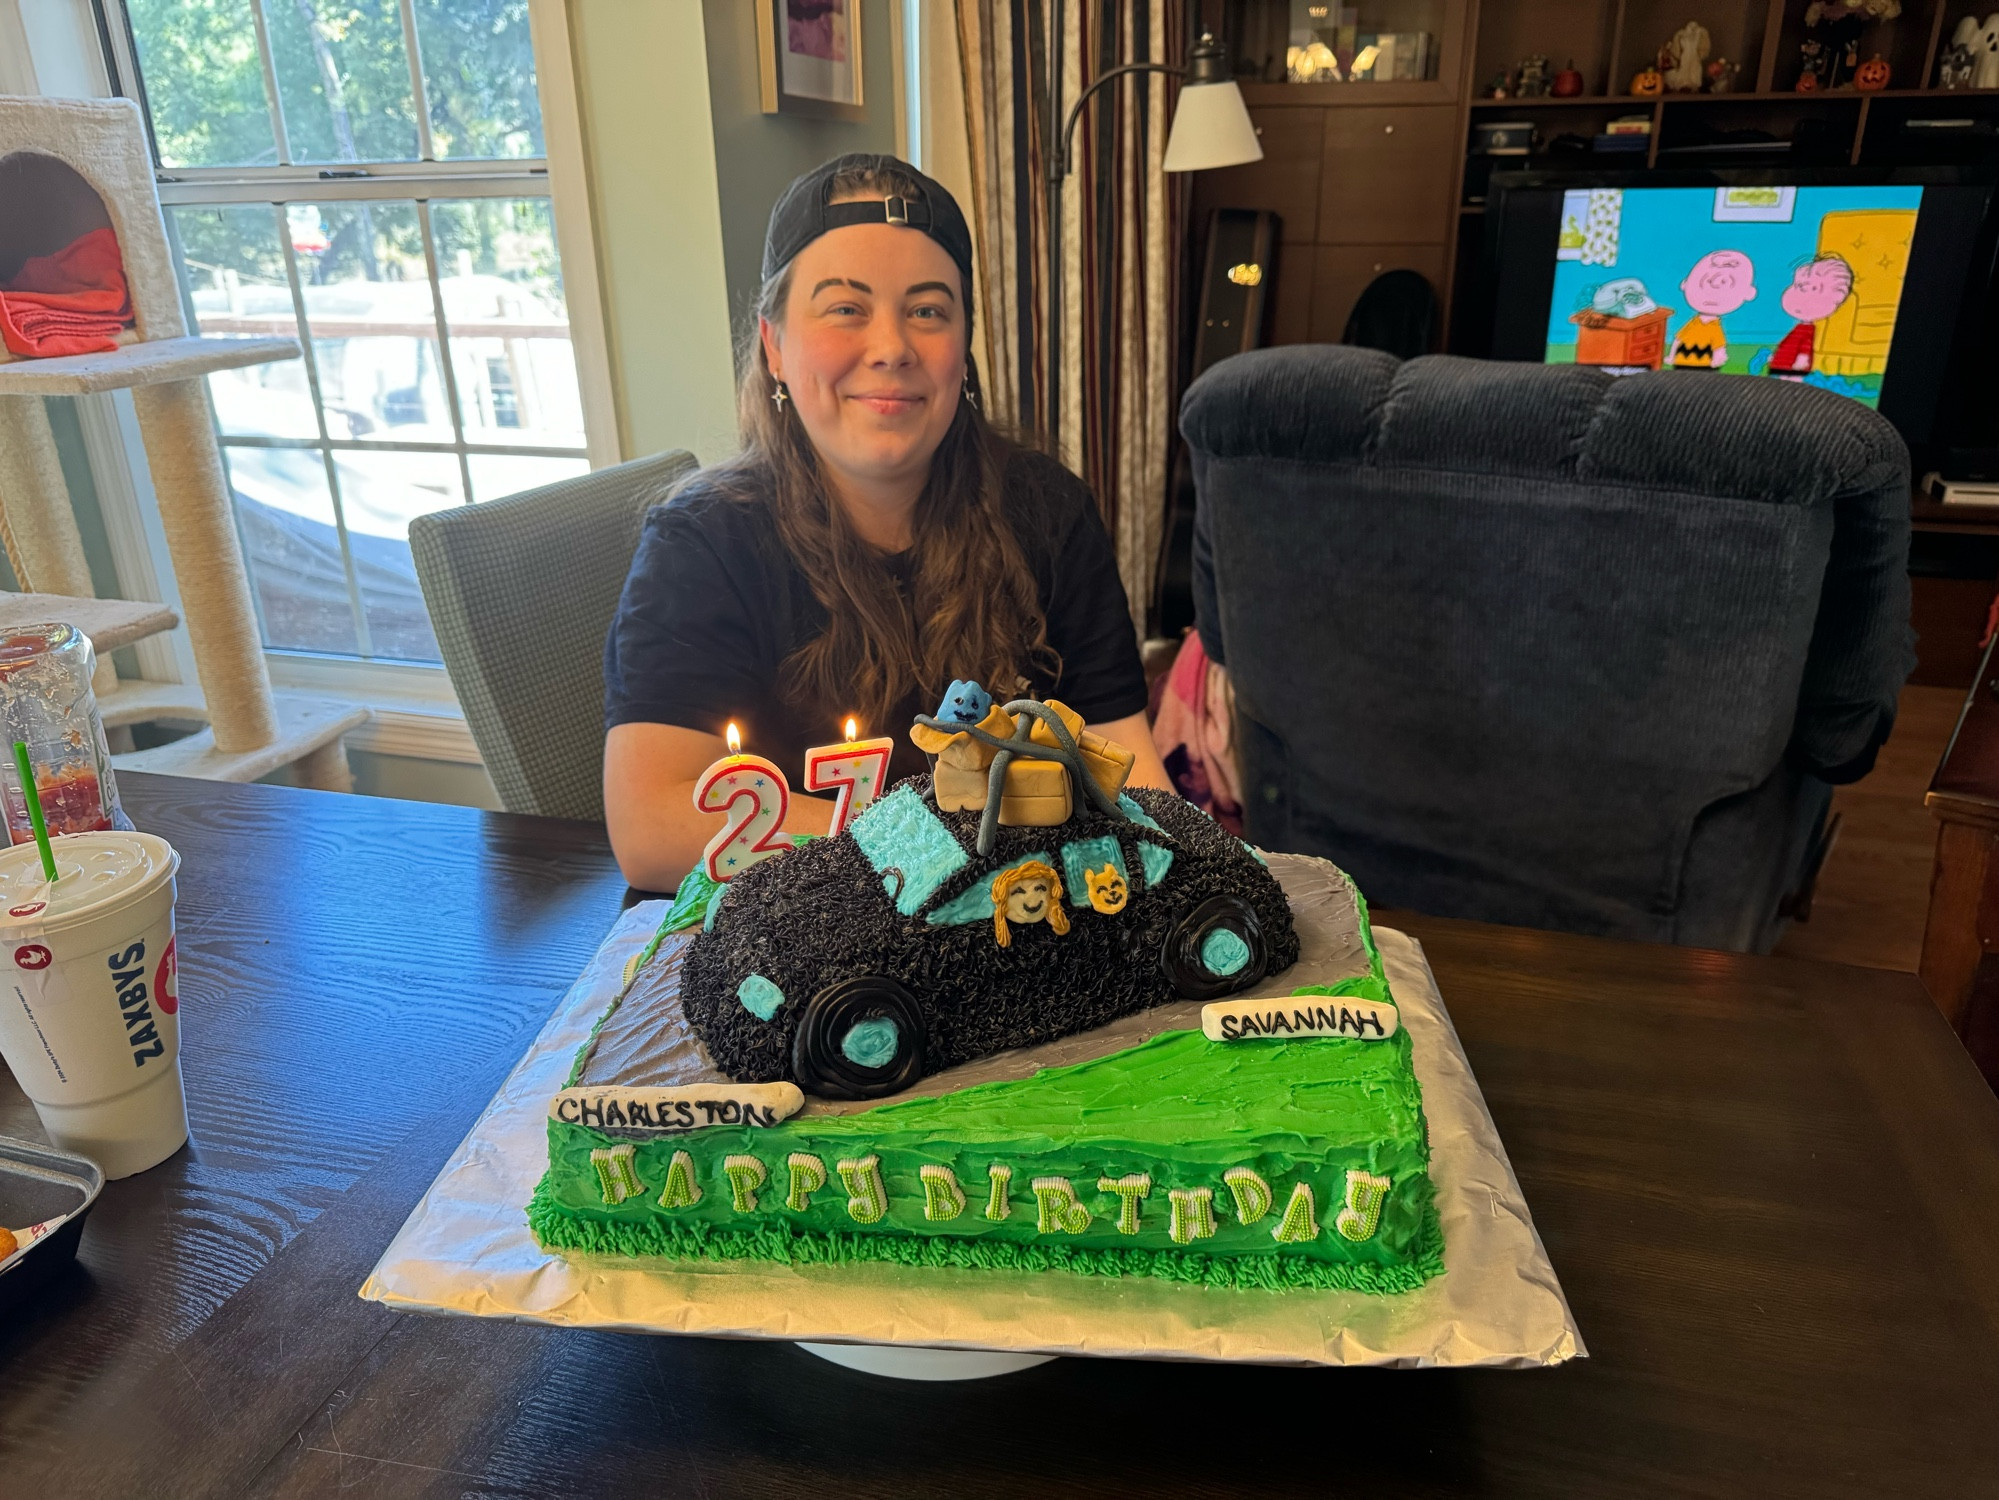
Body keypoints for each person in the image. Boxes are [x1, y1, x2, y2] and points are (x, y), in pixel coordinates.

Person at [603, 154, 1170, 891]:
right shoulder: (703, 543)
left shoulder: (1047, 511)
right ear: (775, 346)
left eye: (928, 310)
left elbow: (1128, 770)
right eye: (844, 308)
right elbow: (650, 824)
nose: (892, 347)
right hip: (795, 940)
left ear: (961, 349)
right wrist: (941, 843)